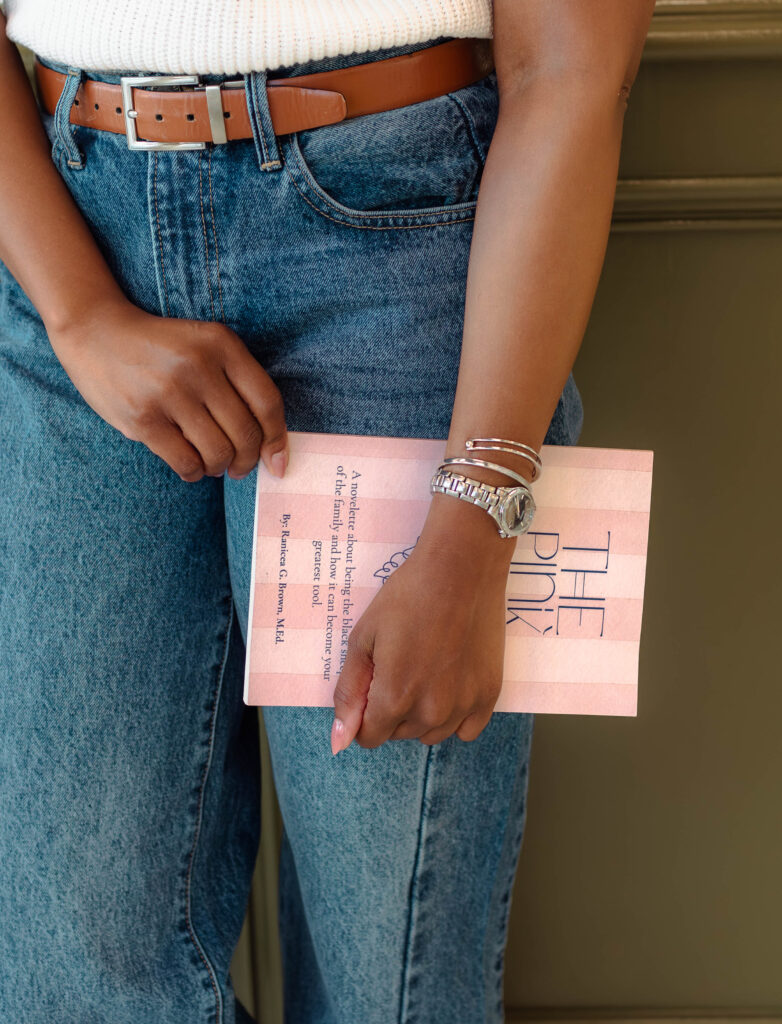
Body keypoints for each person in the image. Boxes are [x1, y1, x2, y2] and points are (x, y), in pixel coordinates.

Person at [0, 2, 656, 1022]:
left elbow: (570, 66)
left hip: (389, 249)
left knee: (387, 979)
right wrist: (79, 311)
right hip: (64, 234)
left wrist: (473, 517)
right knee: (72, 964)